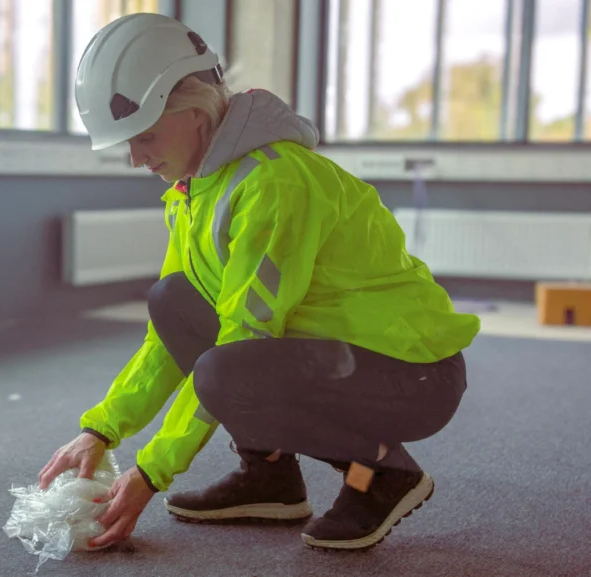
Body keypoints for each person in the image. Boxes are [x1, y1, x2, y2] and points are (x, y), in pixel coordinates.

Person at [39, 13, 479, 552]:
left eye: (146, 136)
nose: (135, 158)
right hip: (329, 353)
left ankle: (381, 474)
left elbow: (245, 336)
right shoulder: (194, 190)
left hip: (411, 374)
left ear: (196, 109)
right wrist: (102, 429)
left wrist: (152, 472)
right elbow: (168, 340)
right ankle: (269, 476)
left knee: (228, 370)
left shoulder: (274, 182)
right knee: (173, 303)